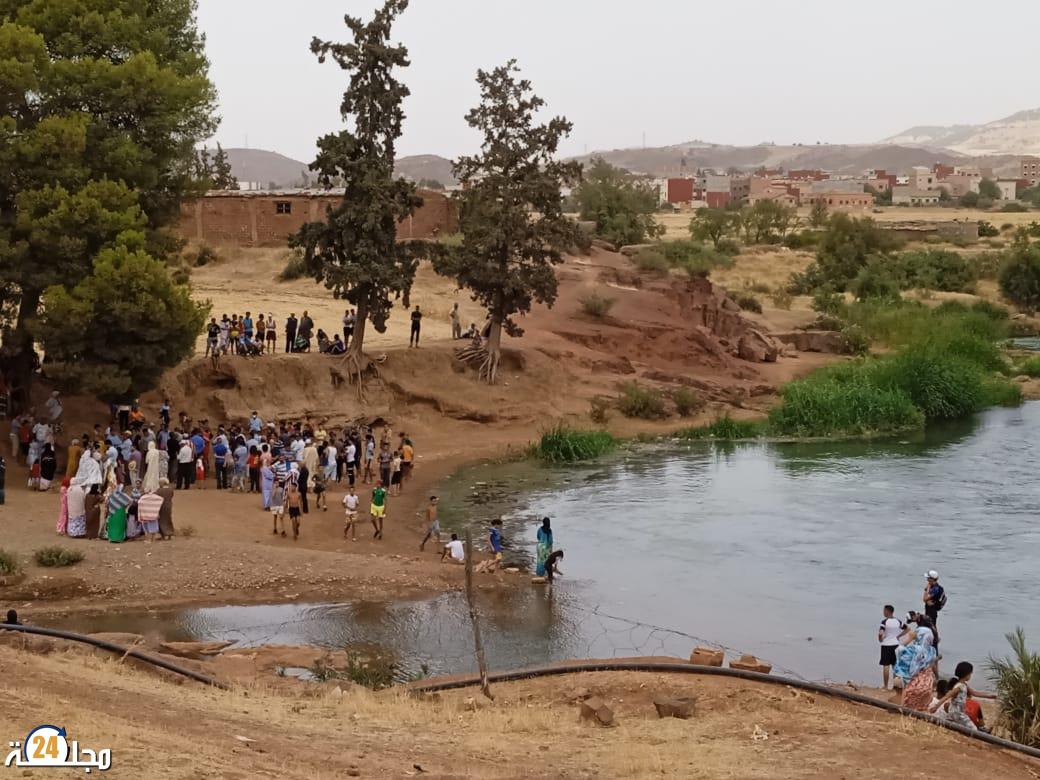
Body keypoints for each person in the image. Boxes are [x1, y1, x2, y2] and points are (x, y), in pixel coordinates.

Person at [930, 662, 996, 729]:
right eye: (970, 673)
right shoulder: (959, 687)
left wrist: (989, 696)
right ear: (966, 674)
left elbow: (974, 693)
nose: (971, 675)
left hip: (954, 712)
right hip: (958, 713)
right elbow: (947, 696)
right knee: (974, 729)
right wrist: (936, 707)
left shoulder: (964, 685)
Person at [893, 616, 938, 711]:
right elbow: (933, 665)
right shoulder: (931, 651)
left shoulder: (913, 650)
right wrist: (937, 678)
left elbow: (899, 651)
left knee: (899, 679)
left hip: (912, 688)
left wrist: (909, 639)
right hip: (926, 687)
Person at [878, 605, 905, 690]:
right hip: (896, 645)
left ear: (887, 611)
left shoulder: (884, 622)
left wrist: (880, 639)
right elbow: (907, 629)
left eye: (884, 610)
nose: (883, 612)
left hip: (886, 644)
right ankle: (895, 686)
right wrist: (898, 636)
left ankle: (885, 686)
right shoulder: (898, 621)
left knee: (886, 665)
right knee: (895, 666)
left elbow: (881, 633)